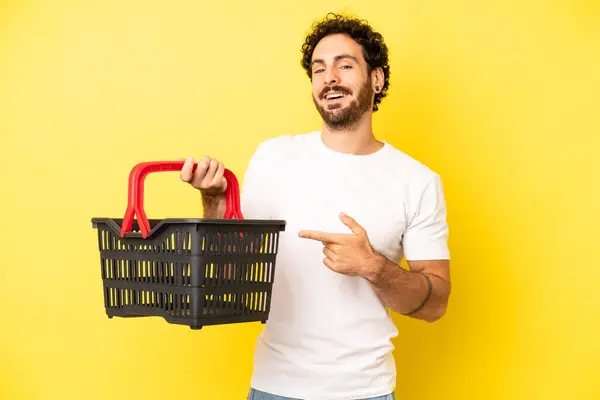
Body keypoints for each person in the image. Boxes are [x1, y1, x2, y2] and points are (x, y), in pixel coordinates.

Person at [180, 12, 451, 400]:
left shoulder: (418, 181)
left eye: (345, 64)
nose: (330, 78)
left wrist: (374, 267)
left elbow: (435, 304)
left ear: (377, 78)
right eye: (319, 69)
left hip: (365, 391)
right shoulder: (273, 157)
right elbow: (227, 278)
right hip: (275, 387)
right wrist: (214, 202)